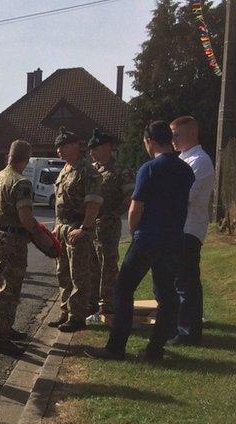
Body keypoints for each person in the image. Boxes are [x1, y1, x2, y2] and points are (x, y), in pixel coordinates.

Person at [86, 121, 194, 361]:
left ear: (150, 141)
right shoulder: (186, 171)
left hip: (148, 238)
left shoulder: (149, 168)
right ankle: (155, 349)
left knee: (123, 289)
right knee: (167, 295)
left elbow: (136, 207)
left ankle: (116, 347)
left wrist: (135, 232)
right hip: (173, 239)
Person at [0, 141, 41, 356]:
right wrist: (40, 235)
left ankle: (4, 327)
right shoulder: (21, 182)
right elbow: (26, 218)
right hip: (11, 239)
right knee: (8, 287)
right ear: (27, 158)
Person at [48, 127, 103, 333]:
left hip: (77, 229)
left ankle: (77, 315)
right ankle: (65, 311)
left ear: (74, 146)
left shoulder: (88, 170)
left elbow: (93, 202)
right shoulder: (65, 170)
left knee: (79, 274)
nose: (58, 151)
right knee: (63, 272)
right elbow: (60, 203)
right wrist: (55, 227)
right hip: (62, 229)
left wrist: (85, 228)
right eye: (57, 148)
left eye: (62, 147)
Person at [170, 116, 216, 345]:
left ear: (191, 134)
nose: (173, 140)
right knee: (178, 279)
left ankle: (189, 331)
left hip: (189, 228)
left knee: (186, 281)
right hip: (179, 228)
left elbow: (184, 196)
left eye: (176, 135)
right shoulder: (182, 159)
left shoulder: (199, 160)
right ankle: (180, 326)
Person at [86, 128, 134, 318]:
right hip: (92, 226)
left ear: (107, 148)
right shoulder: (93, 171)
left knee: (108, 265)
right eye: (90, 150)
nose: (92, 153)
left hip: (109, 226)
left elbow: (130, 198)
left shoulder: (122, 171)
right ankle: (92, 301)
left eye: (95, 148)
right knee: (91, 265)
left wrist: (113, 214)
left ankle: (107, 303)